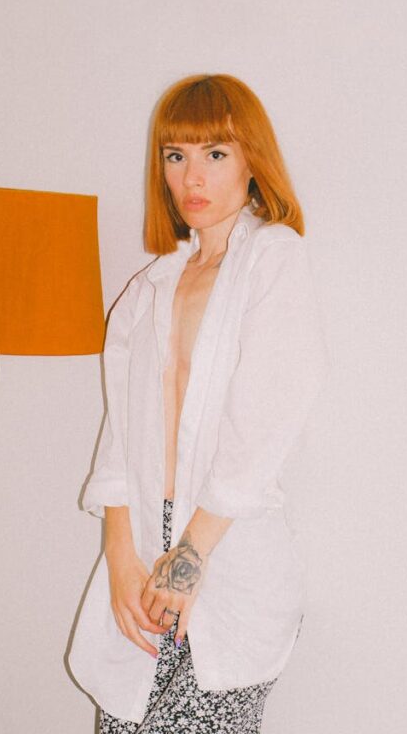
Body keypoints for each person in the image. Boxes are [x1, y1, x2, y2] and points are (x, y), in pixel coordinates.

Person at [67, 73, 329, 732]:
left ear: (251, 162)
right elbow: (118, 445)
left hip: (226, 552)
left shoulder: (272, 259)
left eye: (215, 153)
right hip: (140, 559)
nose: (192, 175)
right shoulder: (147, 291)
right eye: (175, 154)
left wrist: (187, 562)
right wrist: (123, 562)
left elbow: (263, 425)